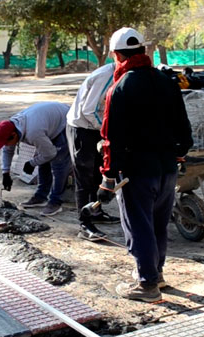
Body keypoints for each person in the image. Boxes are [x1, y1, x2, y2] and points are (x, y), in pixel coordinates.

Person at [97, 27, 193, 302]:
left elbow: (111, 137)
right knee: (158, 224)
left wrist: (108, 178)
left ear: (118, 55)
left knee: (138, 226)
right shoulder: (166, 81)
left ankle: (147, 285)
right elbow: (183, 128)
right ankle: (156, 274)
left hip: (137, 172)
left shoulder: (120, 87)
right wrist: (178, 153)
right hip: (167, 168)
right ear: (143, 52)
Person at [66, 62, 121, 242]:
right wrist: (107, 130)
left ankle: (96, 211)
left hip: (97, 127)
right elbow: (88, 110)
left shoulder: (123, 73)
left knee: (99, 172)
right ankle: (85, 223)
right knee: (84, 177)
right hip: (83, 128)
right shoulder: (107, 75)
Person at [0, 102, 72, 217]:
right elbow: (7, 150)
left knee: (58, 163)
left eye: (6, 142)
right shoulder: (11, 126)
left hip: (64, 122)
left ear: (14, 135)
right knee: (42, 158)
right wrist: (5, 173)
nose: (6, 145)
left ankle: (56, 202)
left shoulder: (33, 133)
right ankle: (41, 197)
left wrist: (32, 163)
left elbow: (50, 153)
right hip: (48, 121)